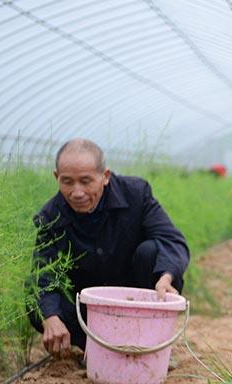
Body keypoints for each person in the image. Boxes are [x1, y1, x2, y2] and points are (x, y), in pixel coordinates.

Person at [29, 138, 190, 358]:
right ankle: (97, 350)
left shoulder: (135, 194)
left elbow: (171, 239)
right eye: (67, 182)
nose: (77, 192)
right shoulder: (50, 217)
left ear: (105, 177)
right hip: (87, 310)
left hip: (138, 300)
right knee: (37, 303)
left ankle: (148, 342)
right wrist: (50, 317)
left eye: (86, 181)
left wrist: (166, 276)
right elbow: (43, 274)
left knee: (151, 252)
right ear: (57, 177)